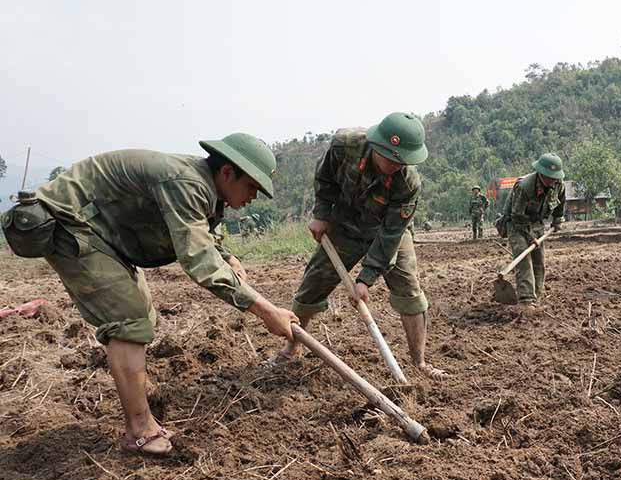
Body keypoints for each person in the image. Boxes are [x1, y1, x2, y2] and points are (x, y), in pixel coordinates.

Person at [1, 133, 299, 455]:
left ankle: (139, 396)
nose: (254, 196)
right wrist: (266, 310)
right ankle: (140, 431)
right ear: (228, 173)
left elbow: (195, 232)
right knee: (128, 321)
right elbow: (199, 262)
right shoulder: (186, 182)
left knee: (143, 315)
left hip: (101, 234)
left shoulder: (201, 186)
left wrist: (226, 256)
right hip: (68, 223)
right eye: (252, 186)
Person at [277, 112, 446, 379]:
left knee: (410, 290)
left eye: (402, 160)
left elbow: (391, 234)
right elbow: (325, 180)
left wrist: (365, 279)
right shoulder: (345, 145)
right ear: (377, 145)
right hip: (344, 225)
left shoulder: (408, 183)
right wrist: (321, 214)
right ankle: (291, 348)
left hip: (386, 230)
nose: (395, 164)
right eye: (390, 157)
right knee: (313, 284)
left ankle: (420, 363)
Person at [505, 153, 566, 308]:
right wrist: (530, 236)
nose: (552, 180)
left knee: (539, 260)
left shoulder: (558, 185)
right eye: (549, 177)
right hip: (517, 224)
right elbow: (517, 216)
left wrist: (557, 220)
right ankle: (526, 300)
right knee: (524, 259)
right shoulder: (524, 187)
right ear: (541, 173)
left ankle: (535, 297)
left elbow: (560, 205)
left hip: (537, 222)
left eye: (554, 177)